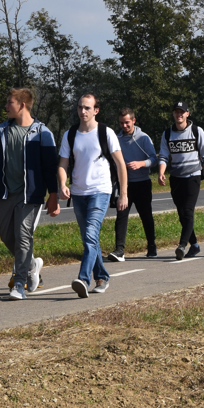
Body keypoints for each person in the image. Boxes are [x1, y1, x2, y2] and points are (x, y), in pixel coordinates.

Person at [0, 88, 59, 300]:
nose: (6, 106)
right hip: (5, 193)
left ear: (22, 105)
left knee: (23, 236)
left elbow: (50, 167)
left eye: (10, 102)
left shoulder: (42, 132)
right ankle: (32, 264)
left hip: (30, 195)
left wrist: (53, 195)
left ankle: (19, 284)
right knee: (6, 235)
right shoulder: (2, 130)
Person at [58, 93, 128, 298]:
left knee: (90, 235)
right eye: (80, 107)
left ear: (96, 110)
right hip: (78, 193)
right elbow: (62, 164)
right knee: (90, 239)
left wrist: (123, 194)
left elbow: (121, 165)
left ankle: (83, 279)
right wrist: (62, 184)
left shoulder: (106, 132)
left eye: (87, 108)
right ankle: (102, 277)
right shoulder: (70, 134)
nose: (83, 111)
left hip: (100, 191)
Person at [157, 101, 204, 260]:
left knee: (188, 210)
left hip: (193, 176)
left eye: (182, 112)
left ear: (187, 114)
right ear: (173, 114)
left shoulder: (197, 131)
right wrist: (161, 172)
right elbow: (163, 155)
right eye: (176, 112)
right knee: (182, 214)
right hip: (176, 178)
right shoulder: (167, 134)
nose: (179, 114)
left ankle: (182, 245)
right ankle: (195, 245)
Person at [111, 108, 158, 261]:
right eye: (121, 123)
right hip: (125, 185)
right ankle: (119, 250)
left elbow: (154, 159)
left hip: (142, 183)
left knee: (146, 215)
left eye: (127, 123)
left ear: (133, 121)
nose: (124, 126)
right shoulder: (116, 139)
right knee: (121, 215)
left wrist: (141, 164)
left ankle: (152, 246)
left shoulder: (143, 138)